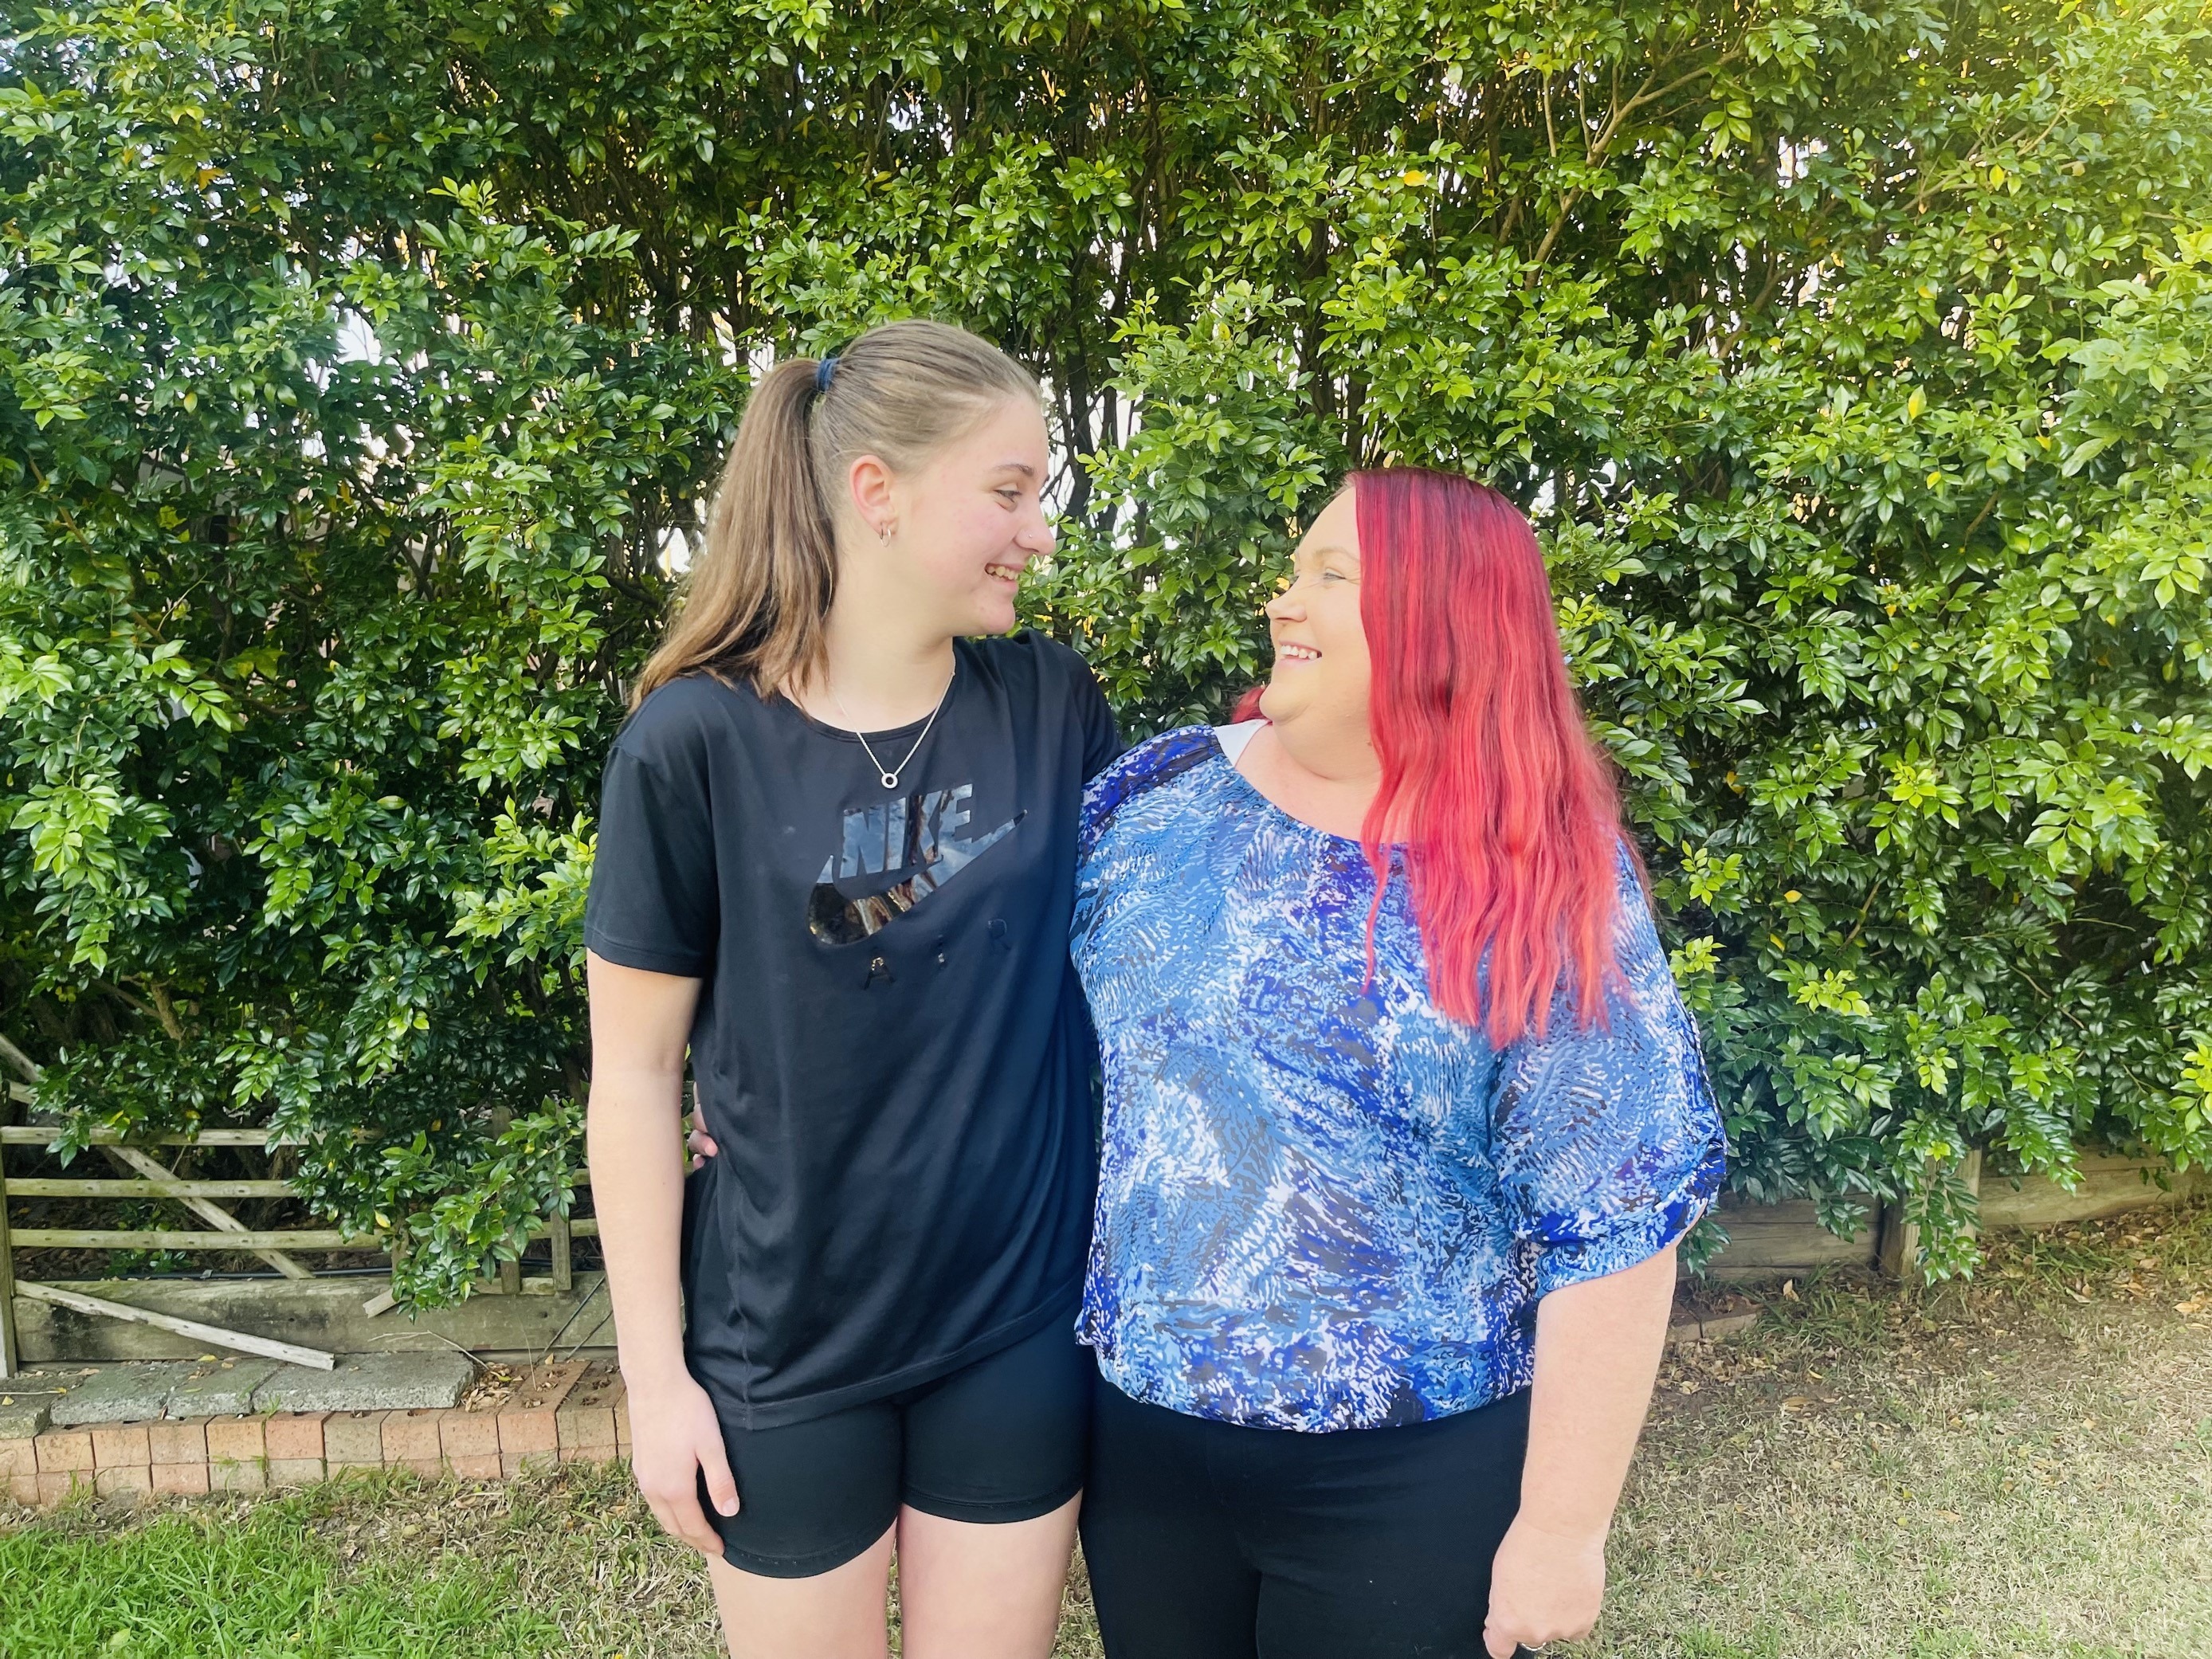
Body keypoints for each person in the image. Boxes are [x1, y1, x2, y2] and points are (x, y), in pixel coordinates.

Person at [1069, 467, 1725, 1659]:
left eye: (1332, 576)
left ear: (1444, 618)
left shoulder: (1544, 874)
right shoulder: (1153, 802)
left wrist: (1564, 1526)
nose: (1284, 602)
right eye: (1294, 569)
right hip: (1145, 1448)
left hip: (1414, 1477)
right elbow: (1007, 1013)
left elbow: (1620, 1215)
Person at [584, 320, 1120, 1659]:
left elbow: (1152, 960)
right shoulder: (691, 744)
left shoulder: (1050, 706)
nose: (1038, 531)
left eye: (1040, 494)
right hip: (784, 1339)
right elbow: (636, 1080)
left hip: (1011, 1320)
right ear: (874, 492)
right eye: (1008, 491)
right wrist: (657, 1384)